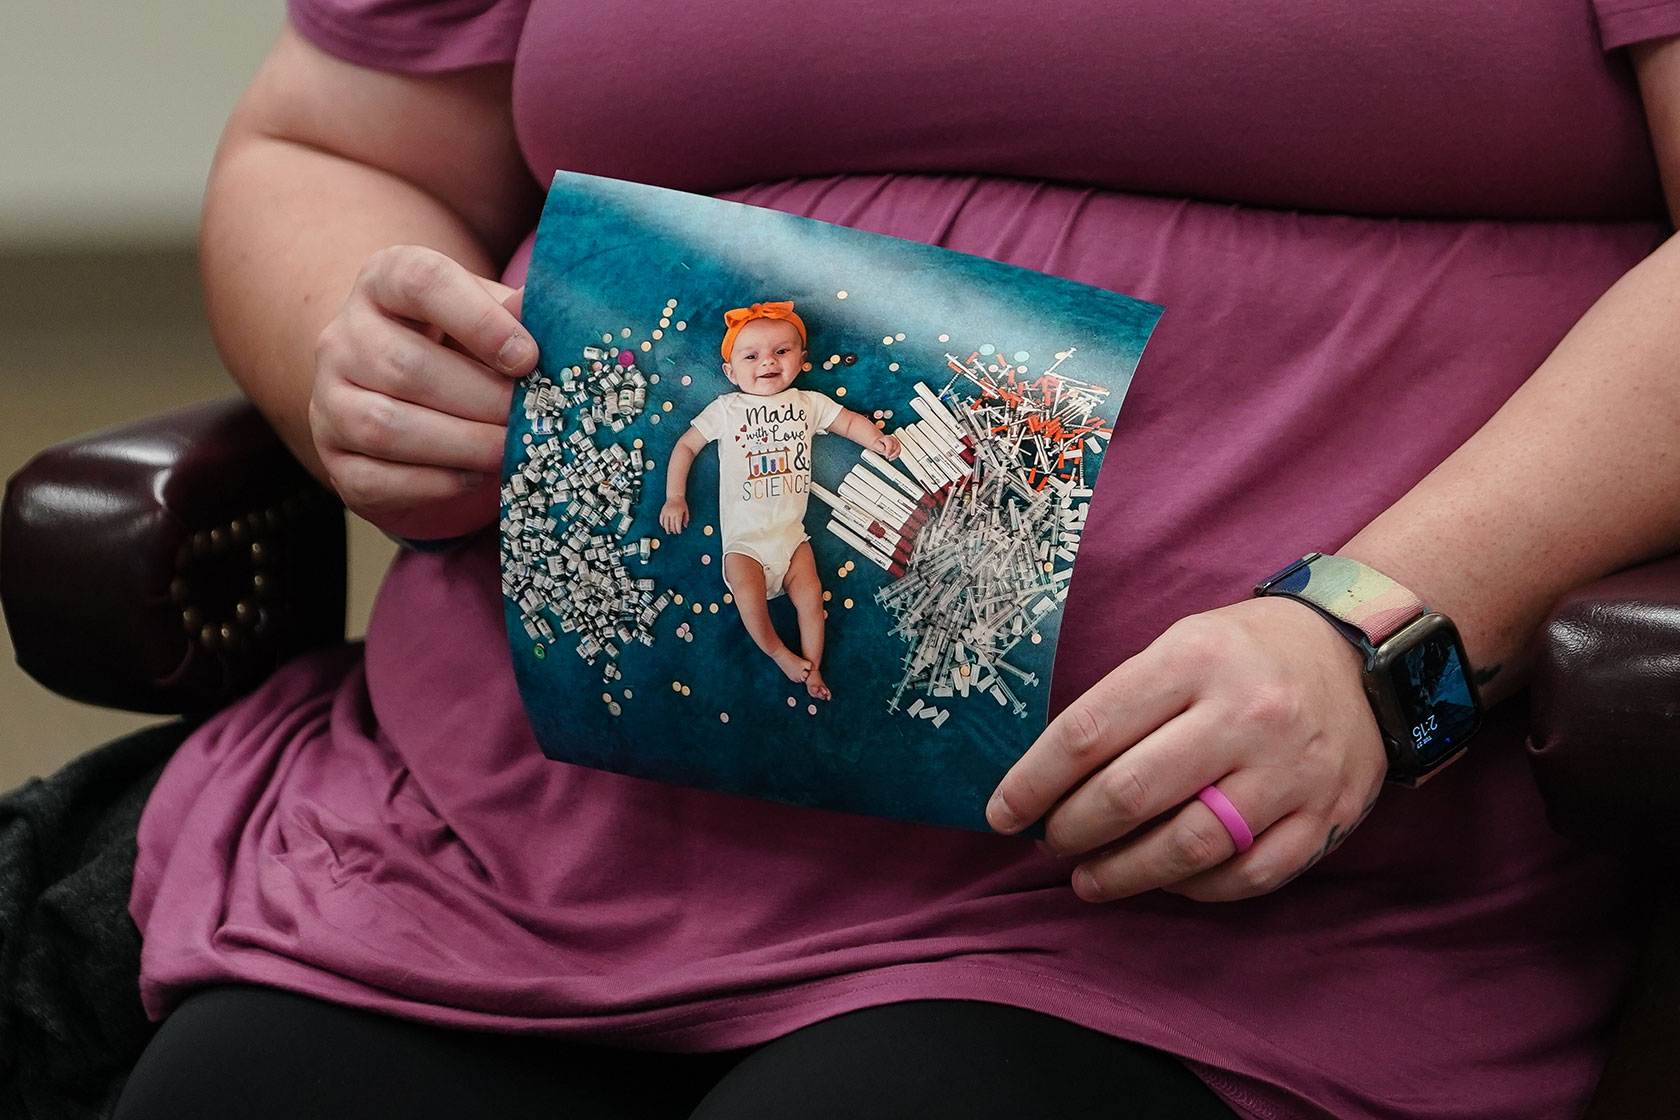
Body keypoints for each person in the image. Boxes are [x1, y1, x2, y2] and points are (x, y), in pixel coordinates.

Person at [111, 2, 1680, 1118]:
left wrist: (1370, 632)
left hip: (1201, 900)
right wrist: (362, 356)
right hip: (526, 836)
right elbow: (325, 141)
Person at [659, 301, 902, 699]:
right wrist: (674, 496)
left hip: (792, 538)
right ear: (730, 372)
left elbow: (847, 421)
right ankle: (778, 653)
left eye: (782, 352)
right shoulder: (727, 409)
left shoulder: (808, 403)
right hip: (745, 544)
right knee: (749, 601)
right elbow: (686, 446)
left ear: (802, 359)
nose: (767, 363)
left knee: (810, 598)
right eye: (751, 356)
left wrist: (874, 439)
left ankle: (814, 668)